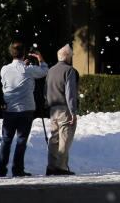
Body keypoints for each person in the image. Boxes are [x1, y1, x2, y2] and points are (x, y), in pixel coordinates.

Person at [0, 41, 48, 177]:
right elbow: (44, 71)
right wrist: (39, 57)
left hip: (9, 109)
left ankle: (1, 169)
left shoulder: (4, 69)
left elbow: (8, 83)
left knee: (6, 140)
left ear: (11, 53)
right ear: (24, 53)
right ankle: (17, 169)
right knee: (21, 141)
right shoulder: (28, 69)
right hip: (26, 109)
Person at [45, 44, 79, 176]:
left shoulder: (51, 70)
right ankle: (61, 167)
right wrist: (73, 112)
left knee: (54, 139)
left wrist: (48, 104)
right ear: (68, 57)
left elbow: (45, 91)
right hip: (64, 108)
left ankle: (51, 166)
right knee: (64, 138)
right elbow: (70, 93)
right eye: (71, 56)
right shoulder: (69, 70)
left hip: (53, 109)